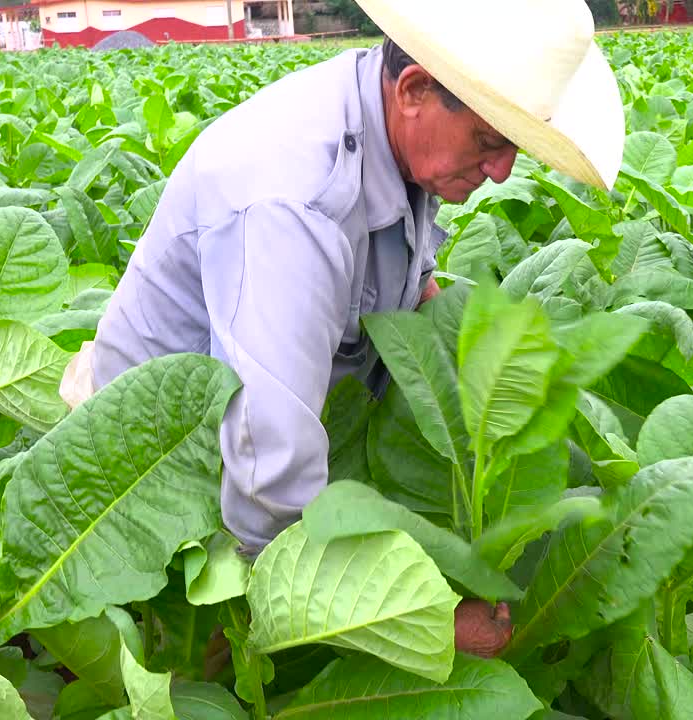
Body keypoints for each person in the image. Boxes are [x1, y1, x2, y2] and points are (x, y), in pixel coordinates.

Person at [60, 0, 624, 657]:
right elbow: (268, 487)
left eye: (514, 147)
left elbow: (408, 285)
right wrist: (426, 625)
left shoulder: (390, 127)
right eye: (491, 141)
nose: (502, 171)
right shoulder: (291, 201)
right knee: (208, 672)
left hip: (275, 450)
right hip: (158, 512)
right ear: (414, 89)